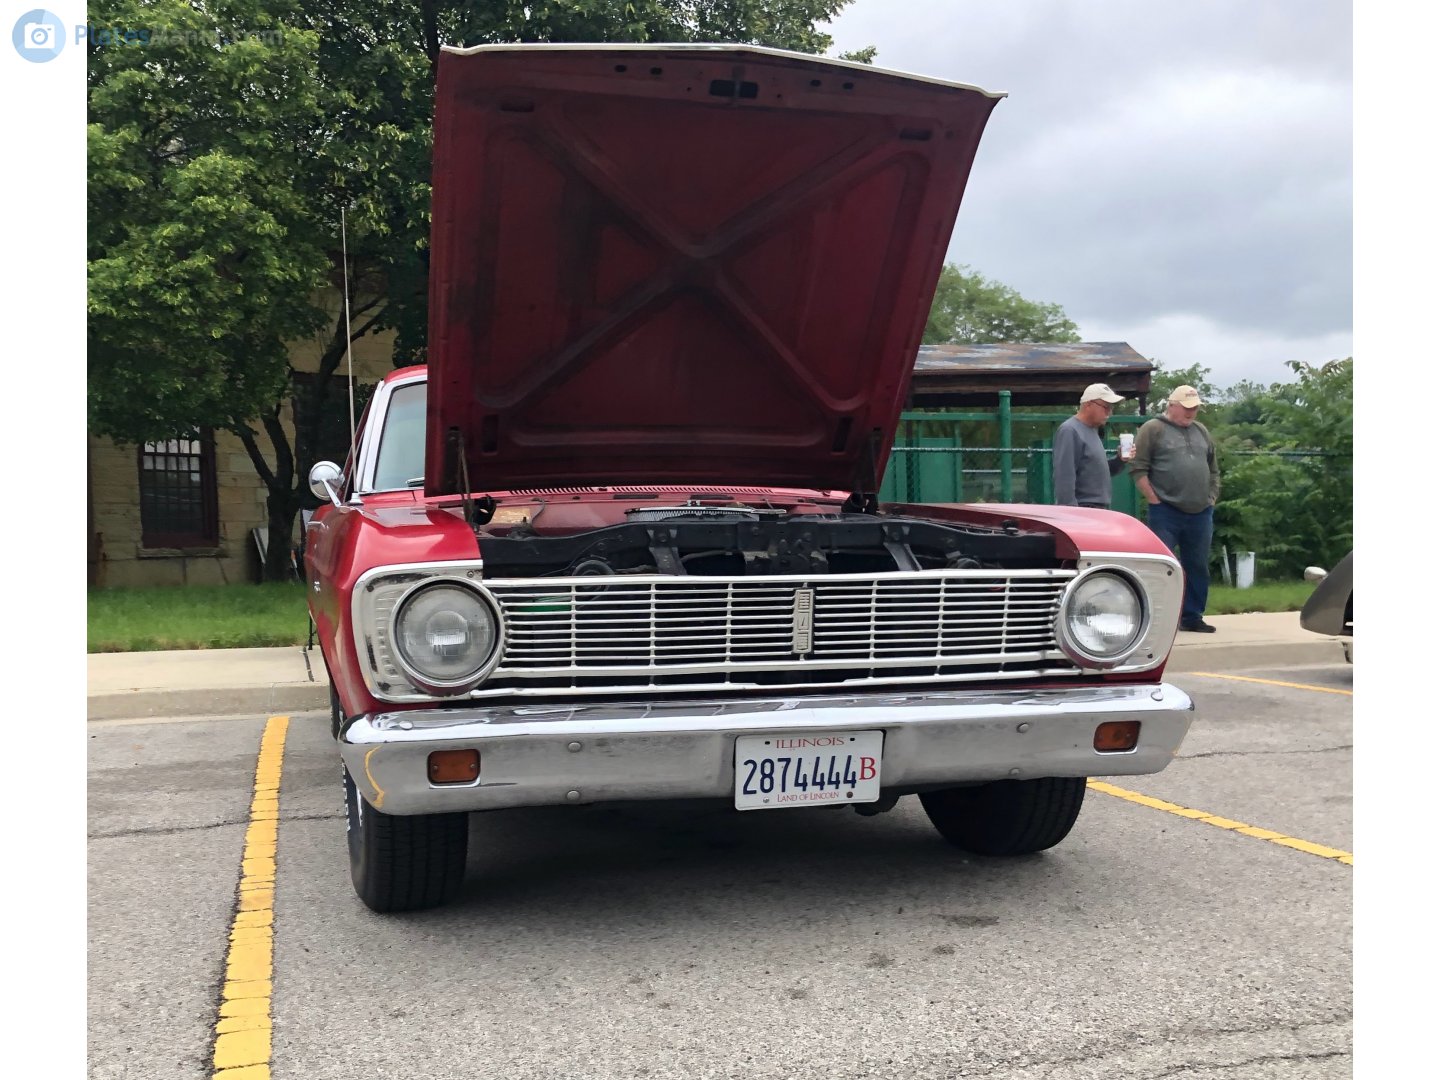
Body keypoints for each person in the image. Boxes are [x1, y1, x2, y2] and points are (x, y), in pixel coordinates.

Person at [1131, 384, 1221, 633]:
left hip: (1201, 511)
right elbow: (1138, 467)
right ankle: (1155, 617)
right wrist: (1153, 498)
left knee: (1198, 564)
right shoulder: (1153, 429)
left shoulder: (1201, 431)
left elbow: (1213, 468)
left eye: (1195, 408)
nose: (1192, 413)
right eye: (1187, 407)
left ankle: (1192, 616)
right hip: (1166, 510)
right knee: (1161, 565)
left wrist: (1211, 497)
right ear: (1172, 406)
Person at [1052, 383, 1135, 508]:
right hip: (1083, 508)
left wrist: (1120, 460)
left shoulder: (1091, 430)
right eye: (1105, 407)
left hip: (1096, 508)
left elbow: (1094, 471)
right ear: (1088, 405)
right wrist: (1070, 513)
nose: (1109, 412)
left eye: (1111, 408)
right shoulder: (1070, 430)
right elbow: (1064, 477)